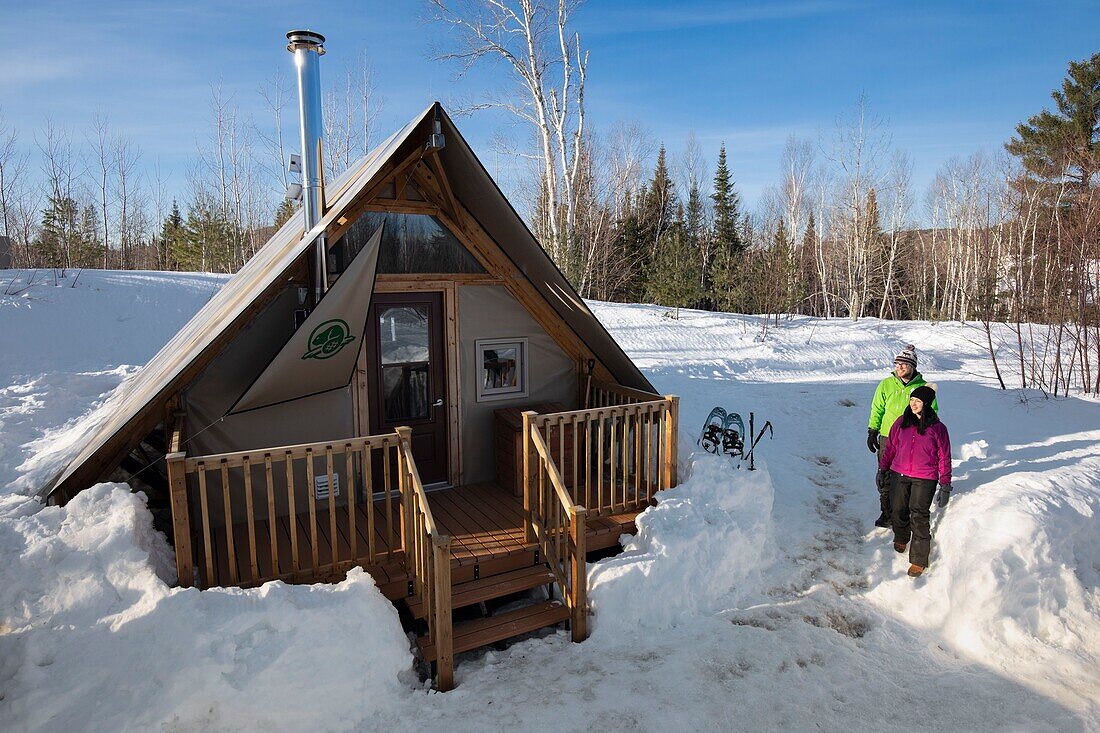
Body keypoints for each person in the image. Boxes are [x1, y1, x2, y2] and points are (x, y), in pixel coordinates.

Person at [878, 384, 952, 577]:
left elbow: (944, 456)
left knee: (919, 515)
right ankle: (902, 536)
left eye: (918, 401)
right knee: (898, 509)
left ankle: (919, 559)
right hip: (898, 473)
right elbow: (891, 448)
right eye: (912, 400)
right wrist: (883, 469)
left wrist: (945, 483)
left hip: (925, 477)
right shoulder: (901, 422)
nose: (913, 404)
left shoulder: (938, 428)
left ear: (927, 404)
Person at [866, 345, 937, 528]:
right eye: (897, 364)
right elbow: (877, 408)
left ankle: (904, 513)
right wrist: (872, 430)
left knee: (906, 478)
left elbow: (932, 414)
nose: (899, 368)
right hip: (887, 437)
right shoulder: (886, 384)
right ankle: (886, 512)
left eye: (903, 364)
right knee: (885, 475)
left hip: (911, 440)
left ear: (913, 366)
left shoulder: (923, 387)